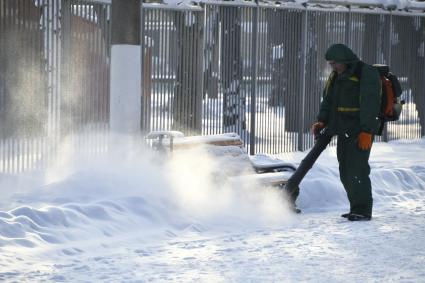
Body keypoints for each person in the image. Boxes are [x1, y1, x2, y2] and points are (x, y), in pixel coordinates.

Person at [286, 43, 381, 221]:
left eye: (335, 63)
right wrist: (322, 120)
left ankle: (362, 210)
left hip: (359, 131)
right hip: (342, 129)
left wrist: (367, 130)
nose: (333, 67)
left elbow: (370, 104)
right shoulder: (336, 76)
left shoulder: (365, 73)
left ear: (344, 60)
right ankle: (356, 208)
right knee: (345, 170)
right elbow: (329, 100)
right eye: (330, 63)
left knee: (357, 170)